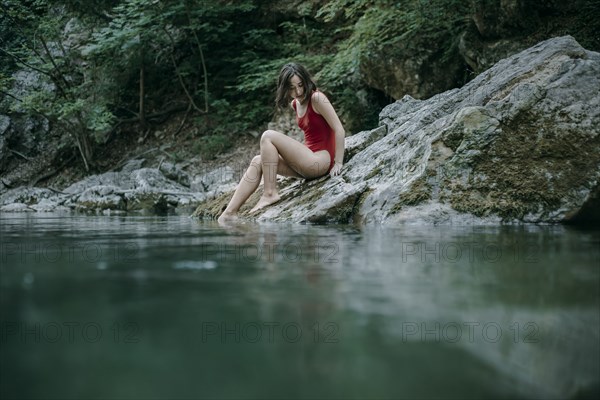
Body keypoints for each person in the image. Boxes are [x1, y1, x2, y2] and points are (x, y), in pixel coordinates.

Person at [217, 62, 345, 223]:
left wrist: (338, 162)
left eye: (300, 85)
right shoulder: (295, 104)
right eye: (291, 88)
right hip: (307, 162)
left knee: (267, 136)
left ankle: (270, 193)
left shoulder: (317, 98)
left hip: (321, 160)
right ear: (285, 88)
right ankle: (229, 213)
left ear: (306, 81)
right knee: (258, 161)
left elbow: (339, 129)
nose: (298, 91)